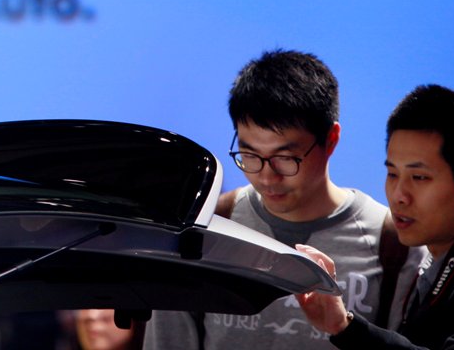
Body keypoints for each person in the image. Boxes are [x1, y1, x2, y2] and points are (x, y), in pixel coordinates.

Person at [144, 50, 423, 350]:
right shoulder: (205, 229)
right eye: (249, 155)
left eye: (286, 158)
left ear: (331, 140)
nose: (266, 177)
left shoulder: (393, 245)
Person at [295, 84, 454, 349]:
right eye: (392, 174)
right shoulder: (449, 257)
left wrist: (347, 329)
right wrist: (343, 327)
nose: (399, 195)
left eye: (419, 177)